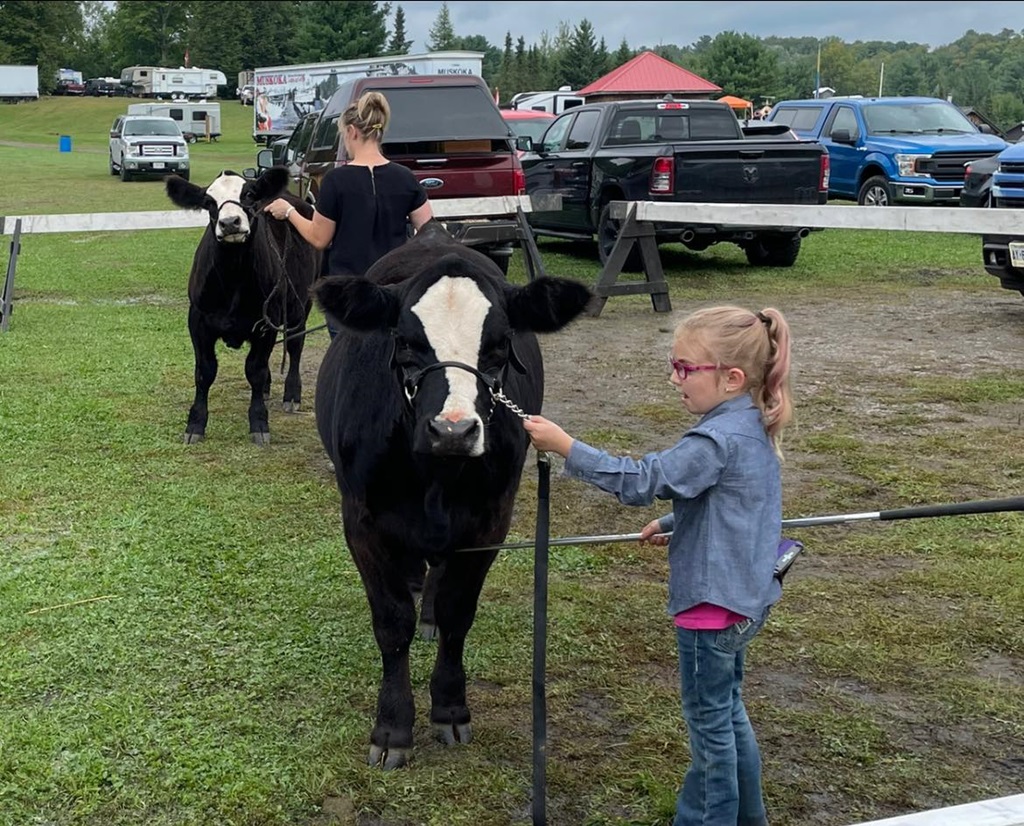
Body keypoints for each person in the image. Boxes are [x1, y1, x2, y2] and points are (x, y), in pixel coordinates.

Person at [523, 305, 793, 826]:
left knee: (709, 729)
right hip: (745, 603)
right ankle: (749, 817)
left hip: (708, 613)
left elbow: (643, 479)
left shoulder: (713, 438)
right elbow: (735, 500)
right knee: (728, 712)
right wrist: (676, 521)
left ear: (731, 378)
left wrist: (567, 447)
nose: (675, 378)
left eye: (685, 368)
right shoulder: (749, 424)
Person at [264, 91, 433, 336]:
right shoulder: (405, 177)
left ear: (352, 131)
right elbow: (429, 231)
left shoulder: (336, 180)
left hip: (348, 295)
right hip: (393, 290)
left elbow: (319, 237)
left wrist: (289, 210)